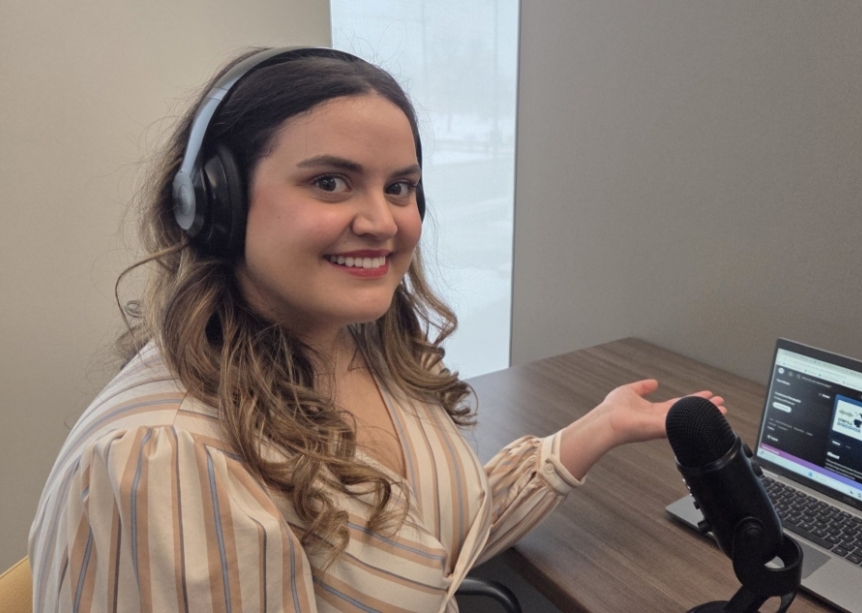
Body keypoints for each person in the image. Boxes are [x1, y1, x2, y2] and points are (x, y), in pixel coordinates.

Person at [28, 47, 725, 613]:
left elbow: (432, 541)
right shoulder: (165, 462)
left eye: (399, 186)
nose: (383, 221)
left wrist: (597, 427)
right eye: (331, 182)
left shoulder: (358, 347)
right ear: (215, 201)